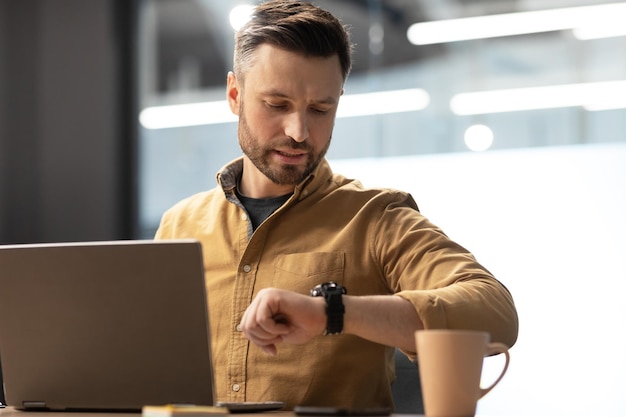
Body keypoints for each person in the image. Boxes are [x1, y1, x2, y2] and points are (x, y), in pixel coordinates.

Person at [155, 0, 518, 411]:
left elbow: (495, 312)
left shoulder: (376, 218)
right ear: (235, 95)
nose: (298, 131)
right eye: (277, 105)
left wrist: (334, 311)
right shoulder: (179, 225)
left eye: (320, 109)